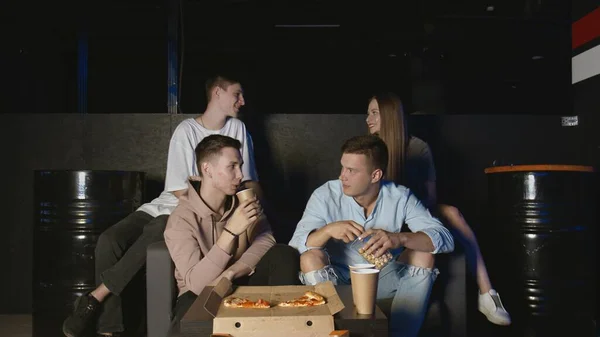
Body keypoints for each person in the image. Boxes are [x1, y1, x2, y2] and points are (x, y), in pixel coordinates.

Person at [62, 73, 262, 337]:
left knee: (160, 229)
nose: (242, 101)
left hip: (186, 216)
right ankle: (108, 328)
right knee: (109, 240)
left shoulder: (237, 129)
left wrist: (241, 204)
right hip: (169, 205)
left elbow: (249, 181)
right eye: (237, 94)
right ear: (217, 93)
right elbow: (180, 189)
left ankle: (95, 297)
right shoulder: (187, 130)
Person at [365, 91, 511, 326]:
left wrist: (409, 207)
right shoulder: (367, 151)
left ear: (390, 116)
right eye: (368, 113)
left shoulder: (417, 147)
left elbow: (430, 197)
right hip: (380, 217)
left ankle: (487, 293)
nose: (368, 119)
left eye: (374, 113)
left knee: (452, 212)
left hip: (415, 212)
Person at [289, 135, 455, 337]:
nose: (343, 176)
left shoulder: (400, 196)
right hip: (337, 283)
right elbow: (295, 246)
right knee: (309, 257)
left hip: (382, 279)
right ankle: (332, 333)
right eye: (342, 167)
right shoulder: (325, 195)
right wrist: (327, 231)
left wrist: (399, 238)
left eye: (351, 170)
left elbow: (444, 238)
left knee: (424, 255)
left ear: (375, 175)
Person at [165, 135, 300, 325]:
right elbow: (196, 284)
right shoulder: (181, 219)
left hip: (242, 282)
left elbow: (266, 239)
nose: (240, 175)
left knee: (284, 254)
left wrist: (231, 274)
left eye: (240, 166)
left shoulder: (243, 200)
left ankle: (285, 326)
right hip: (199, 294)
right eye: (232, 166)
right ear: (207, 169)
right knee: (191, 316)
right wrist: (230, 232)